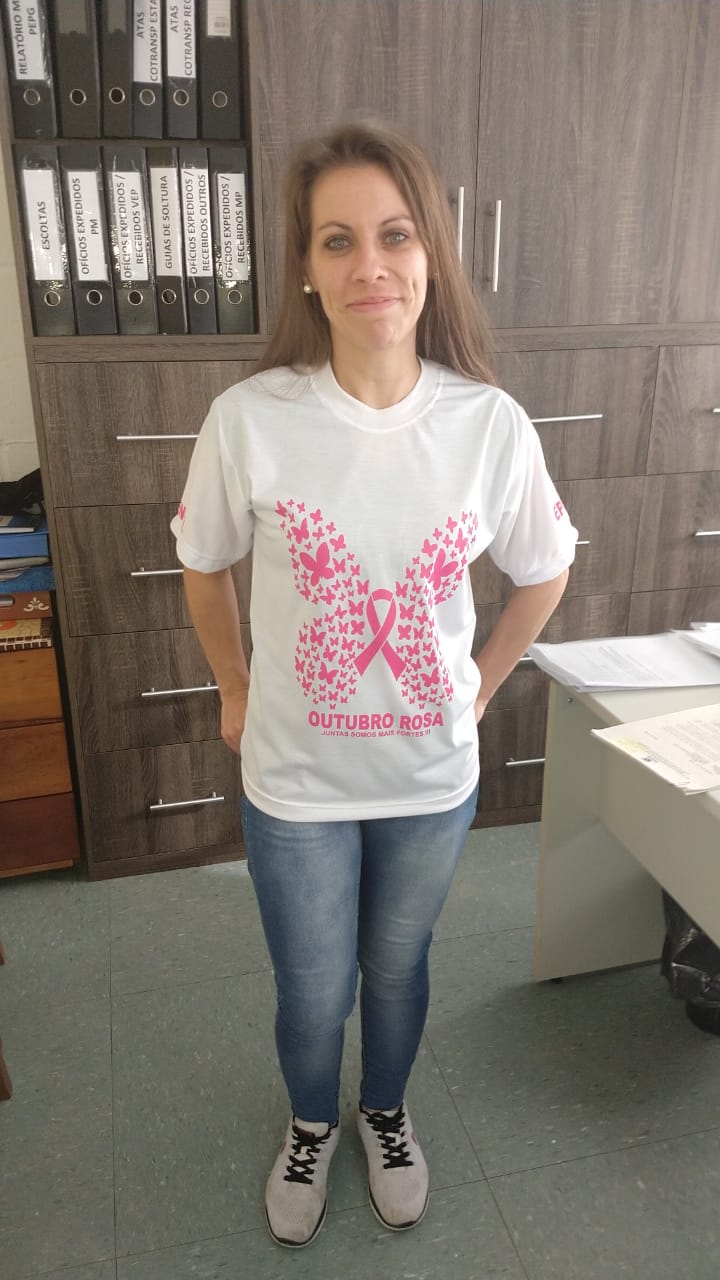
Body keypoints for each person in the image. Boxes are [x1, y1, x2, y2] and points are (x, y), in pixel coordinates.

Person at [171, 119, 577, 1249]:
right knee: (314, 989)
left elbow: (545, 570)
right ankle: (311, 1121)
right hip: (295, 782)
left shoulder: (486, 423)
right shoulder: (252, 419)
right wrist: (234, 687)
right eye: (338, 240)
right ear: (306, 266)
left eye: (395, 236)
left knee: (397, 968)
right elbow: (204, 561)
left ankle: (383, 1112)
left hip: (429, 778)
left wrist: (478, 688)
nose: (371, 266)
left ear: (430, 251)